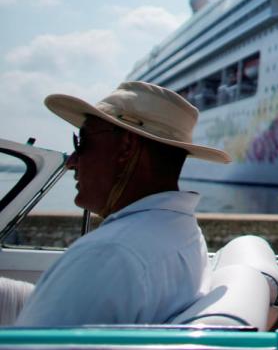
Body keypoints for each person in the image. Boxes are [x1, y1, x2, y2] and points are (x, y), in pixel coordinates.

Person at [15, 81, 230, 326]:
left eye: (82, 142)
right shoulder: (182, 233)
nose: (71, 161)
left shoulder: (106, 255)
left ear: (127, 147)